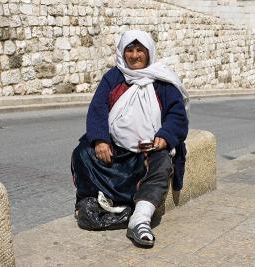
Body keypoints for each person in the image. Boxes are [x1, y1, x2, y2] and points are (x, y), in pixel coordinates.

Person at [71, 30, 189, 247]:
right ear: (122, 53)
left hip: (148, 150)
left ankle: (140, 219)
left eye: (140, 50)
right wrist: (100, 139)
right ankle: (93, 202)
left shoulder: (162, 81)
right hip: (116, 149)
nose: (134, 56)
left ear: (149, 53)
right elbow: (98, 109)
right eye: (130, 50)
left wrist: (165, 137)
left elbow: (177, 115)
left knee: (162, 162)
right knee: (83, 153)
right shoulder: (113, 77)